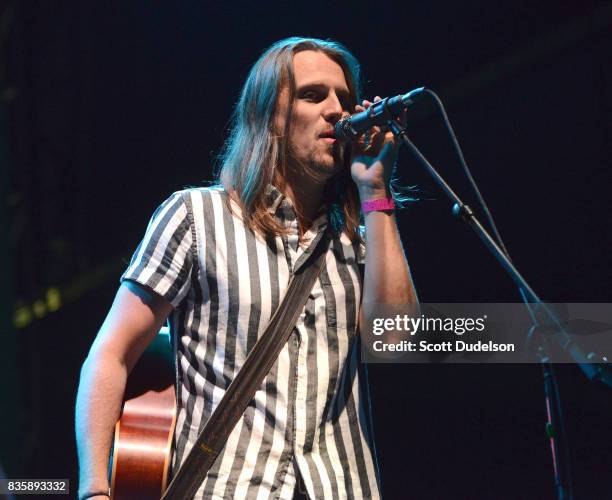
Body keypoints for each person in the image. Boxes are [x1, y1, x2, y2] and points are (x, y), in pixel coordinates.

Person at [75, 36, 417, 500]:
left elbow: (397, 343)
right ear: (268, 118)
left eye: (345, 98)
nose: (337, 110)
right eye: (313, 95)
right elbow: (111, 353)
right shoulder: (196, 218)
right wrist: (95, 488)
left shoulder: (359, 241)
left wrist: (376, 193)